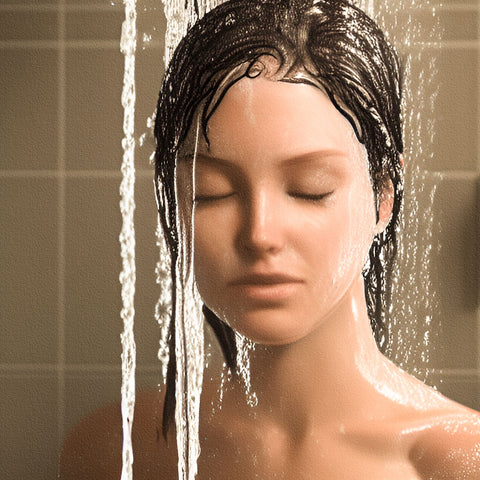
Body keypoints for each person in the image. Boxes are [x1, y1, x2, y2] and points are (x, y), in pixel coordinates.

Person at [59, 1, 480, 478]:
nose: (259, 234)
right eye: (212, 193)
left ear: (383, 197)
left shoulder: (456, 462)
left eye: (310, 189)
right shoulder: (118, 451)